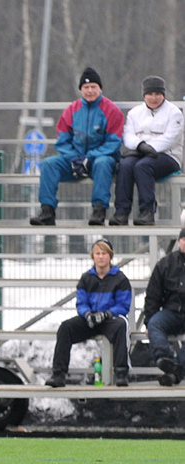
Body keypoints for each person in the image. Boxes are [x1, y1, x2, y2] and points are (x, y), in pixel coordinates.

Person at [30, 67, 124, 226]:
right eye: (86, 88)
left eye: (93, 87)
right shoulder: (71, 110)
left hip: (99, 160)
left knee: (103, 163)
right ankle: (47, 211)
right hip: (74, 159)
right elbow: (63, 139)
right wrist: (75, 158)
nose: (90, 91)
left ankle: (99, 210)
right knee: (49, 164)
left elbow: (113, 142)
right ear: (81, 89)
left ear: (100, 88)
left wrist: (89, 158)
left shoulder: (112, 110)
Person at [45, 239, 132, 388]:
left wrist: (106, 314)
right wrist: (87, 314)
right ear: (93, 256)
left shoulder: (120, 279)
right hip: (90, 319)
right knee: (66, 327)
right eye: (97, 253)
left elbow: (123, 305)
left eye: (104, 253)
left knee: (121, 325)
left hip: (109, 319)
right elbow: (81, 303)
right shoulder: (86, 278)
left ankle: (121, 373)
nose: (100, 257)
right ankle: (58, 374)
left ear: (110, 256)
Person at [110, 75, 184, 226]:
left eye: (158, 94)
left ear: (163, 95)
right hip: (140, 153)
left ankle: (147, 212)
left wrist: (148, 148)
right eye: (150, 94)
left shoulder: (174, 113)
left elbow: (170, 138)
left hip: (168, 156)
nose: (154, 98)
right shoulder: (134, 113)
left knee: (142, 167)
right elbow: (128, 135)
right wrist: (140, 146)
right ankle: (121, 212)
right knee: (125, 166)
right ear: (144, 95)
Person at [143, 228, 185, 386]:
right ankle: (164, 358)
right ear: (179, 242)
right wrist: (148, 320)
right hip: (171, 313)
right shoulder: (166, 264)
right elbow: (153, 295)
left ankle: (175, 371)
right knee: (155, 323)